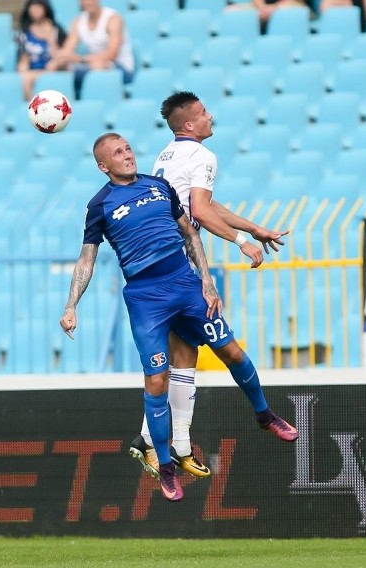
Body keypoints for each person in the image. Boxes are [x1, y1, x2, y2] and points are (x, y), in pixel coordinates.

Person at [60, 133, 248, 502]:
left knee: (191, 357)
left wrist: (206, 280)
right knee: (159, 375)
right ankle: (165, 450)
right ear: (103, 166)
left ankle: (166, 444)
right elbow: (87, 259)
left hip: (182, 283)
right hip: (147, 297)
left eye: (128, 147)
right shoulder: (100, 205)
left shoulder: (159, 186)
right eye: (118, 152)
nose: (127, 154)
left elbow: (190, 232)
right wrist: (71, 305)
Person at [127, 91, 298, 481]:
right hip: (182, 271)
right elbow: (200, 211)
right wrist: (243, 243)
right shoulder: (203, 157)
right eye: (204, 113)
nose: (210, 116)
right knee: (230, 350)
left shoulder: (166, 157)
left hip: (168, 267)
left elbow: (203, 204)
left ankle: (172, 444)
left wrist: (254, 227)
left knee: (184, 355)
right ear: (189, 124)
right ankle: (262, 414)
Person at [49, 0, 135, 98]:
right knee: (58, 66)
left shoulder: (113, 19)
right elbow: (67, 51)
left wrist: (81, 59)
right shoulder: (78, 21)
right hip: (91, 66)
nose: (87, 2)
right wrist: (57, 56)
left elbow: (112, 54)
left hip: (121, 68)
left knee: (98, 65)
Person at [17, 0, 67, 101]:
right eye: (32, 6)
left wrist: (50, 39)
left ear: (45, 8)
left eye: (38, 6)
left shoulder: (57, 29)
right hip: (33, 72)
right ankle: (33, 106)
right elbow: (23, 60)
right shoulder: (24, 32)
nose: (35, 9)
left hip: (54, 70)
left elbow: (63, 57)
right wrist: (23, 72)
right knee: (25, 78)